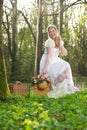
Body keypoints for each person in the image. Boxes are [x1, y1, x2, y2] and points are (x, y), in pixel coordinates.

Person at [39, 24, 79, 98]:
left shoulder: (58, 41)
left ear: (56, 31)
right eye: (50, 32)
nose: (52, 33)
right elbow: (49, 56)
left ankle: (55, 87)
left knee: (63, 75)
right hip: (48, 61)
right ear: (48, 34)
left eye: (53, 31)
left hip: (55, 60)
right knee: (66, 65)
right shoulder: (49, 41)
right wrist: (44, 69)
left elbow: (65, 53)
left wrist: (60, 44)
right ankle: (71, 87)